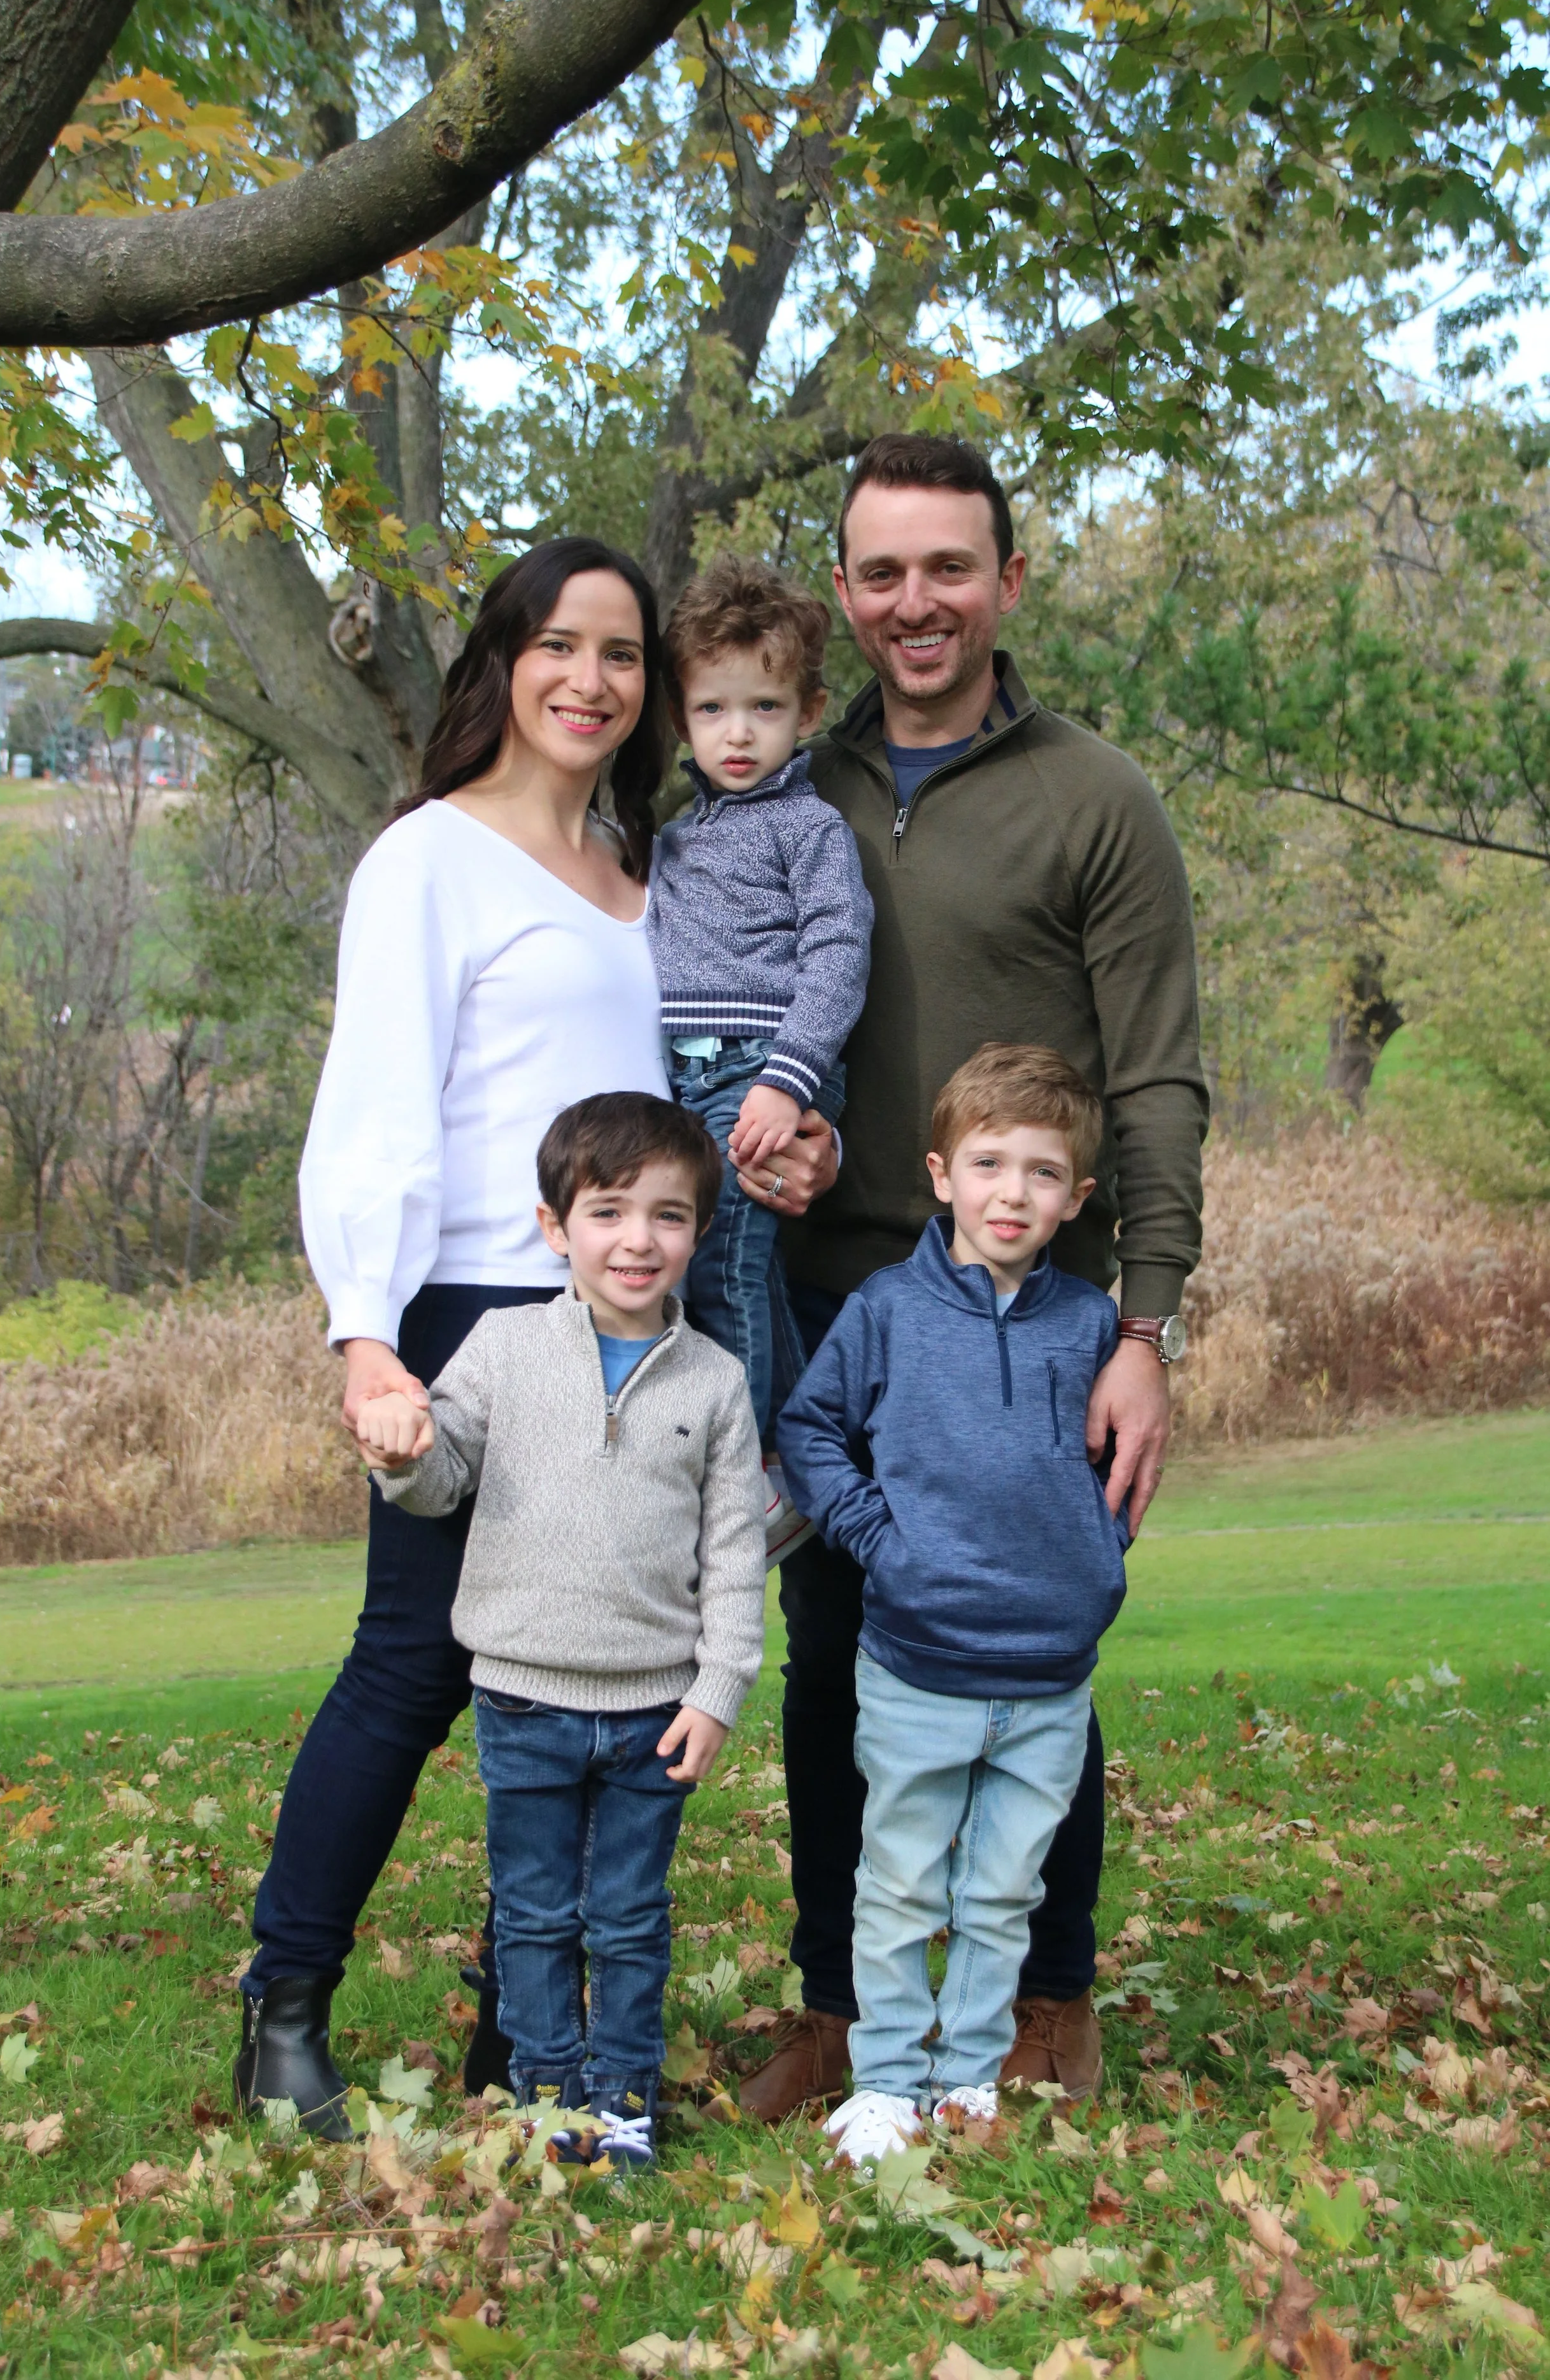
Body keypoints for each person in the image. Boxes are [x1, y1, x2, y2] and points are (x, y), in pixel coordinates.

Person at [229, 535, 820, 2141]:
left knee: (607, 1669)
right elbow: (373, 1114)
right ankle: (285, 2004)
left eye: (622, 656)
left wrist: (785, 1145)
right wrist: (365, 1338)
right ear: (502, 661)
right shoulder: (432, 857)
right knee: (418, 1661)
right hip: (477, 1311)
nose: (591, 679)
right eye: (560, 644)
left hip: (638, 1320)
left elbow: (686, 1111)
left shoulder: (656, 874)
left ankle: (526, 2029)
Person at [743, 433, 1207, 2123]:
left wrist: (1144, 1322)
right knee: (834, 1652)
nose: (913, 600)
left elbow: (1155, 1073)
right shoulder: (789, 789)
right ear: (845, 590)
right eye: (880, 571)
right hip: (839, 1297)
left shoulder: (1095, 797)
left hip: (1044, 1319)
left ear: (1007, 580)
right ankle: (836, 2008)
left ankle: (1042, 1997)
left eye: (948, 566)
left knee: (1029, 1642)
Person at [357, 1092, 767, 2171]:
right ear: (556, 1227)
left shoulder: (717, 1382)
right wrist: (399, 1452)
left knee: (629, 1917)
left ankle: (624, 2096)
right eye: (610, 1211)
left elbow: (734, 1553)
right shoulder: (502, 1347)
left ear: (698, 1232)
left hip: (653, 1711)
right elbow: (439, 1476)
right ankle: (548, 2096)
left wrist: (718, 1687)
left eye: (669, 1216)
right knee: (533, 1917)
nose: (639, 1239)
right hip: (525, 1697)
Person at [777, 1046, 1130, 2167]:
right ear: (941, 1174)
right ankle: (886, 2080)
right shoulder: (887, 1310)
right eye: (989, 1163)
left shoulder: (1089, 1326)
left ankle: (970, 2072)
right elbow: (810, 1432)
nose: (1012, 1192)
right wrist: (883, 1540)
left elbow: (1119, 1463)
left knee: (1001, 1887)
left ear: (1077, 1198)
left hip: (1046, 1679)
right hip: (918, 1661)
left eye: (1041, 1172)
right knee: (898, 1880)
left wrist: (1093, 1560)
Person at [649, 555, 872, 1456]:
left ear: (808, 712)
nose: (737, 733)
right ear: (681, 718)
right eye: (713, 709)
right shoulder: (671, 838)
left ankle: (745, 1470)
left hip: (761, 1073)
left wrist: (788, 1081)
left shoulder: (809, 827)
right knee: (736, 1270)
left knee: (723, 1273)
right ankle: (794, 1440)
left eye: (764, 708)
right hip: (683, 1080)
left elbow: (838, 957)